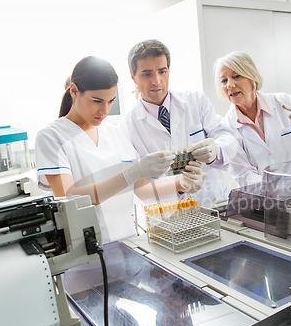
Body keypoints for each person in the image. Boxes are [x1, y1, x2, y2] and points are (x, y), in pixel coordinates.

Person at [35, 55, 204, 244]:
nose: (104, 111)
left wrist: (181, 183)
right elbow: (69, 198)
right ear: (74, 91)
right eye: (97, 101)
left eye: (110, 101)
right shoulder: (51, 137)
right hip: (86, 253)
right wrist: (131, 173)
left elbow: (142, 190)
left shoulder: (114, 133)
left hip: (130, 244)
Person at [120, 39, 238, 207]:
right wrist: (180, 184)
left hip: (212, 203)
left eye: (162, 71)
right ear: (133, 77)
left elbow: (227, 136)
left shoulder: (195, 101)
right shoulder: (127, 126)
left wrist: (216, 150)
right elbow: (140, 187)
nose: (157, 81)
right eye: (147, 74)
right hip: (169, 215)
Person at [214, 51, 291, 187]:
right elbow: (244, 175)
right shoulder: (227, 127)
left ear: (252, 77)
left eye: (236, 76)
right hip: (262, 199)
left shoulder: (282, 102)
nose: (229, 85)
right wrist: (279, 186)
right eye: (224, 80)